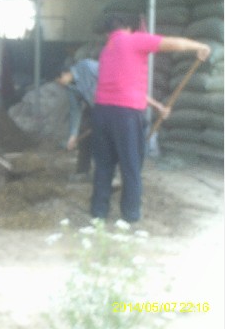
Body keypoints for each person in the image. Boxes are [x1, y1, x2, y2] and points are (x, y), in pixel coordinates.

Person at [91, 12, 210, 223]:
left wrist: (157, 106)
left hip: (102, 113)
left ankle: (98, 213)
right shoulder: (134, 40)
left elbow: (124, 88)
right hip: (125, 116)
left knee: (104, 165)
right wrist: (198, 46)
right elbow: (172, 43)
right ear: (128, 28)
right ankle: (130, 216)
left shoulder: (106, 50)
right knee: (131, 166)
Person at [56, 58, 171, 182]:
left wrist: (156, 106)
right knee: (85, 127)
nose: (59, 84)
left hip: (114, 102)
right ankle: (82, 171)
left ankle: (114, 175)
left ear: (64, 74)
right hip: (96, 108)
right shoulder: (70, 88)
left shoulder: (87, 67)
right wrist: (73, 136)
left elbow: (115, 79)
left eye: (58, 81)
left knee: (113, 139)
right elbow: (75, 110)